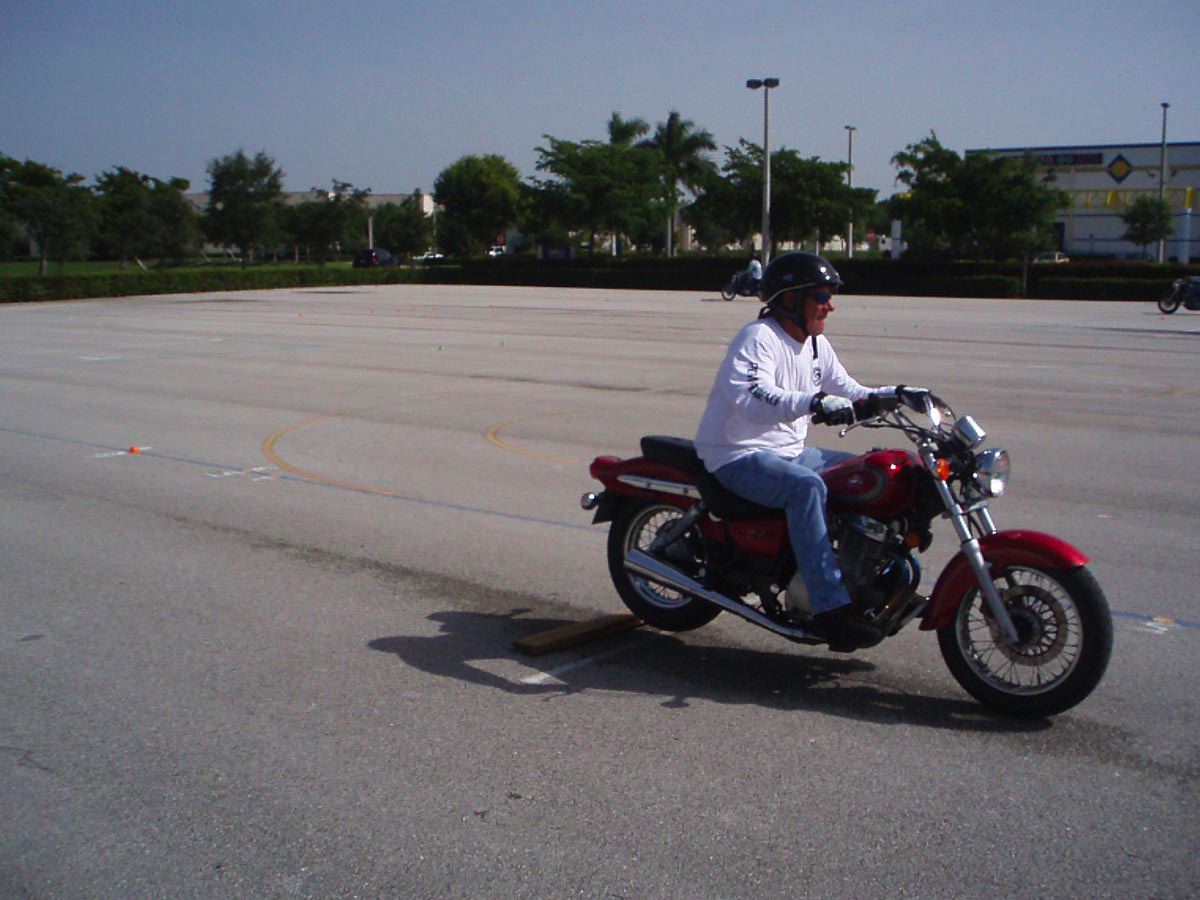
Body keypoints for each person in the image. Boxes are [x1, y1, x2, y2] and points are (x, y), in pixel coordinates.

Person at [694, 252, 918, 651]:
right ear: (790, 299)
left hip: (790, 452)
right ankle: (829, 608)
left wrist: (897, 394)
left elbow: (850, 390)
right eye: (822, 296)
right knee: (807, 489)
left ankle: (871, 577)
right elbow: (753, 398)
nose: (830, 306)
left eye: (830, 296)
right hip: (737, 455)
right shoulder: (757, 339)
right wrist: (813, 402)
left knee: (870, 473)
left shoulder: (815, 345)